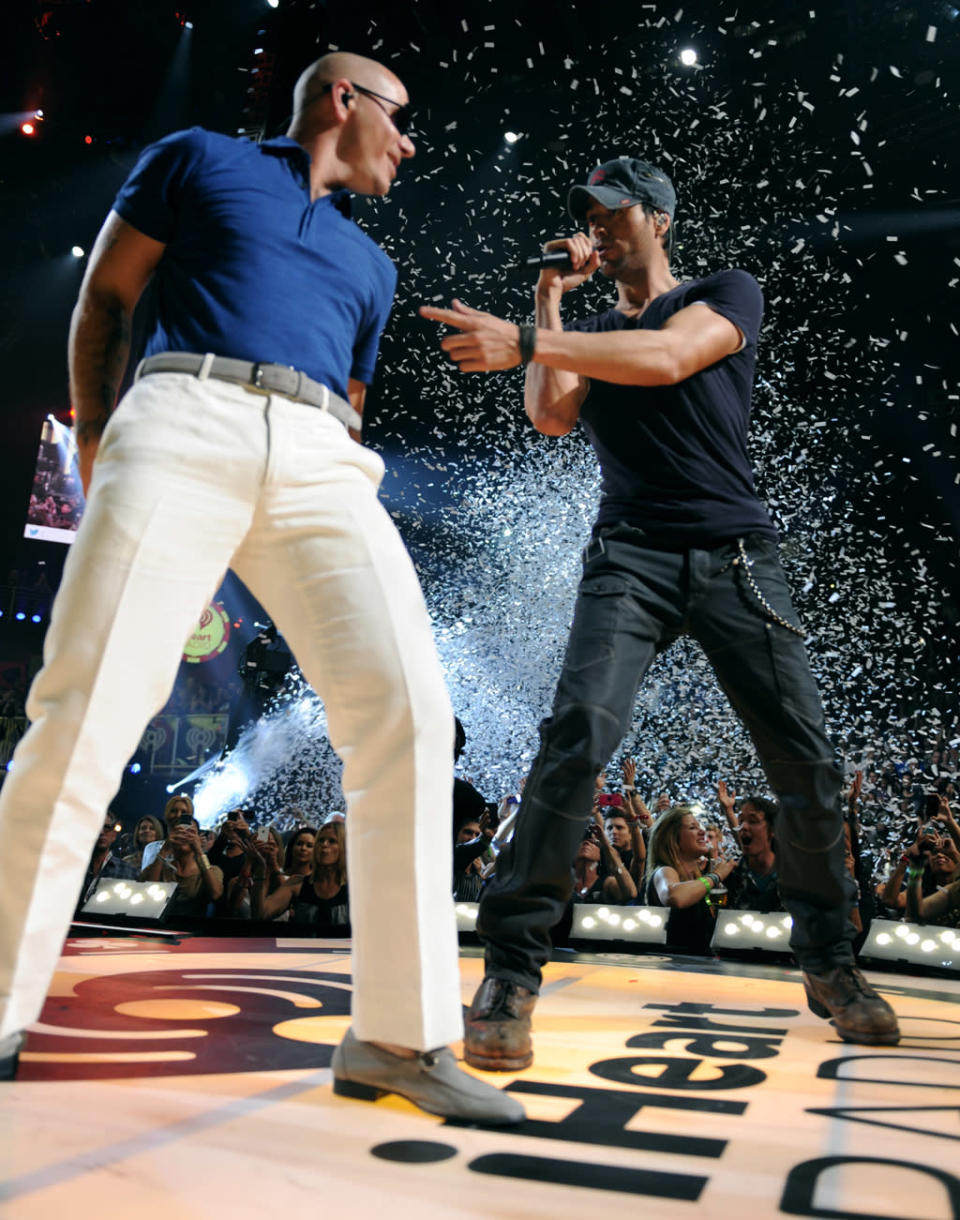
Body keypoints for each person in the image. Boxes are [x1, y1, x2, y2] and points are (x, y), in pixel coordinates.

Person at [0, 51, 522, 1123]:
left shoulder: (372, 267)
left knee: (413, 716)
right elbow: (106, 295)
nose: (412, 143)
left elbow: (357, 397)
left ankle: (397, 1036)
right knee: (87, 702)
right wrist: (99, 441)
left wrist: (323, 469)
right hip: (182, 412)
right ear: (343, 100)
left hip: (325, 454)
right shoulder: (198, 158)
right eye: (402, 120)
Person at [421, 155, 901, 1069]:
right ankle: (512, 974)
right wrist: (550, 304)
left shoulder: (725, 292)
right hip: (629, 557)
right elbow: (554, 417)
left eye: (613, 213)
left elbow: (671, 357)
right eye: (588, 217)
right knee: (575, 741)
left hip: (737, 556)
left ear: (658, 218)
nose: (597, 227)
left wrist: (528, 339)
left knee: (806, 762)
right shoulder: (585, 328)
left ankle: (831, 964)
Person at [645, 806, 736, 955]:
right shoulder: (664, 871)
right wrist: (715, 876)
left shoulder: (701, 876)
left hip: (703, 967)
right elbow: (675, 897)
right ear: (673, 838)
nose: (702, 831)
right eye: (693, 828)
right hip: (673, 967)